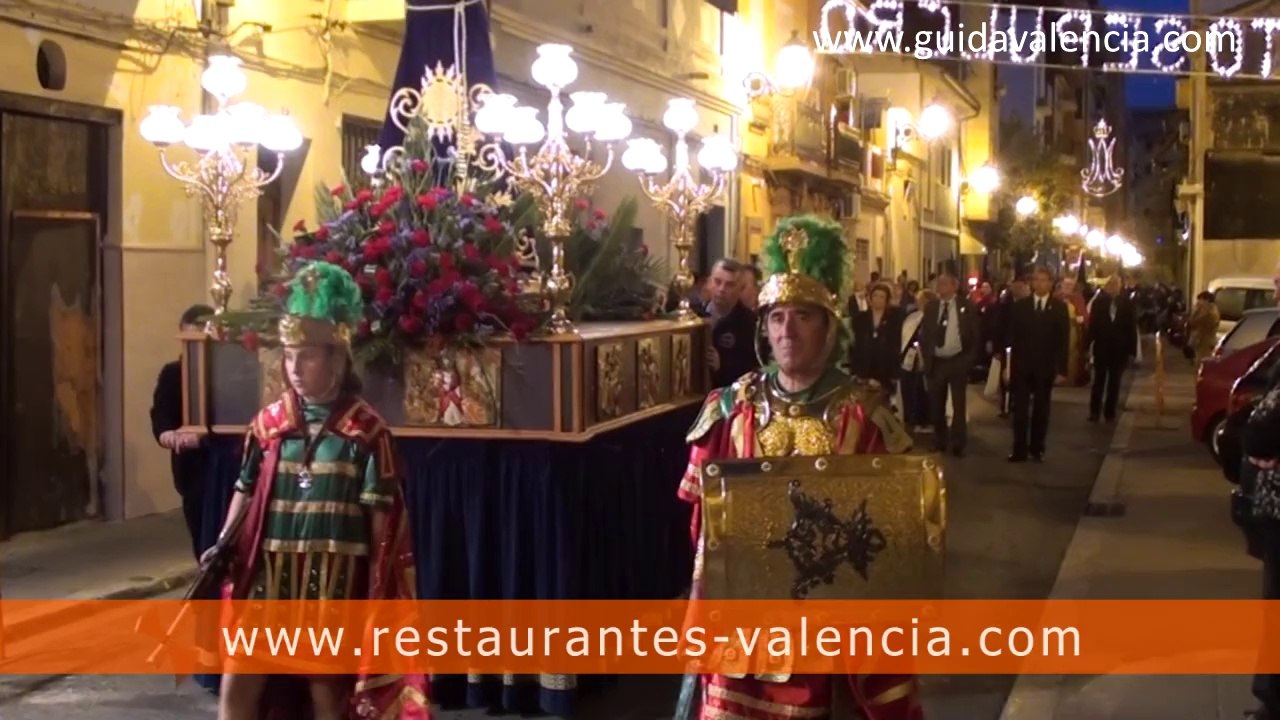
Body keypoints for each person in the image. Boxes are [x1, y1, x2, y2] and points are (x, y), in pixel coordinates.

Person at [673, 215, 919, 720]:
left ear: (829, 329)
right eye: (777, 317)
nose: (788, 331)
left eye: (803, 317)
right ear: (764, 327)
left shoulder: (864, 416)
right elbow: (702, 524)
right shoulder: (732, 406)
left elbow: (895, 539)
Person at [207, 261, 427, 720]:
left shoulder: (366, 434)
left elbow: (383, 529)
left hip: (331, 586)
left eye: (306, 356)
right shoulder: (268, 426)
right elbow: (244, 489)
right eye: (288, 356)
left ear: (338, 356)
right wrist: (223, 542)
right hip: (267, 579)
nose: (294, 369)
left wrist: (377, 592)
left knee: (326, 694)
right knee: (238, 685)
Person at [151, 303, 215, 559]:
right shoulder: (172, 373)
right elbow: (161, 412)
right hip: (191, 469)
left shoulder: (228, 371)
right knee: (200, 535)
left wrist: (206, 435)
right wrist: (166, 432)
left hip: (222, 464)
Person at [1007, 267, 1070, 463]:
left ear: (1051, 284)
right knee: (1020, 411)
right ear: (1032, 283)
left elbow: (1063, 340)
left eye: (1044, 280)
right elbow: (1012, 338)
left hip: (1045, 366)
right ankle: (1019, 449)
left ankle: (1037, 448)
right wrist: (1007, 366)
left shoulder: (1059, 308)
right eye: (1037, 280)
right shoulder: (1021, 307)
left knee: (1041, 409)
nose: (1040, 284)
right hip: (1023, 366)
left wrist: (1062, 369)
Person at [920, 271, 980, 457]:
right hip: (937, 362)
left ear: (954, 286)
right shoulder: (931, 307)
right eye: (940, 283)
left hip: (957, 360)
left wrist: (969, 359)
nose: (941, 287)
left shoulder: (966, 306)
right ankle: (939, 440)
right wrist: (926, 355)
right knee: (936, 404)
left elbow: (975, 333)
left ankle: (958, 442)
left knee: (958, 404)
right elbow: (925, 334)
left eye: (946, 284)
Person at [1085, 275, 1138, 423]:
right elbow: (1093, 326)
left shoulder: (1127, 304)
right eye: (1111, 285)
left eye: (1116, 284)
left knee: (1115, 382)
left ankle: (1110, 412)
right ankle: (1094, 411)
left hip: (1119, 349)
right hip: (1102, 347)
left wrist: (1132, 351)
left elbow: (1131, 328)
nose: (1113, 287)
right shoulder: (1099, 303)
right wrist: (1086, 345)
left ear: (1120, 287)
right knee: (1099, 381)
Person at [700, 258, 758, 388]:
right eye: (717, 282)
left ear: (740, 289)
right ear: (709, 282)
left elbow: (752, 370)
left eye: (729, 285)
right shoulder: (694, 314)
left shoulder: (750, 323)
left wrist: (722, 365)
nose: (721, 289)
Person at [849, 281, 904, 394]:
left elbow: (896, 344)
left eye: (882, 297)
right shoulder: (860, 319)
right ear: (870, 298)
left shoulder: (895, 319)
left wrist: (895, 372)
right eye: (875, 296)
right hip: (864, 368)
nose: (878, 299)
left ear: (887, 300)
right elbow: (855, 345)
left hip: (886, 369)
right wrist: (855, 370)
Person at [1188, 290, 1221, 363]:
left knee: (1202, 362)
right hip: (1202, 342)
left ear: (1206, 300)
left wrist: (1197, 310)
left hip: (1206, 343)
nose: (1199, 302)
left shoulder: (1210, 312)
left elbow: (1194, 321)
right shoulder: (1207, 310)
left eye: (1201, 300)